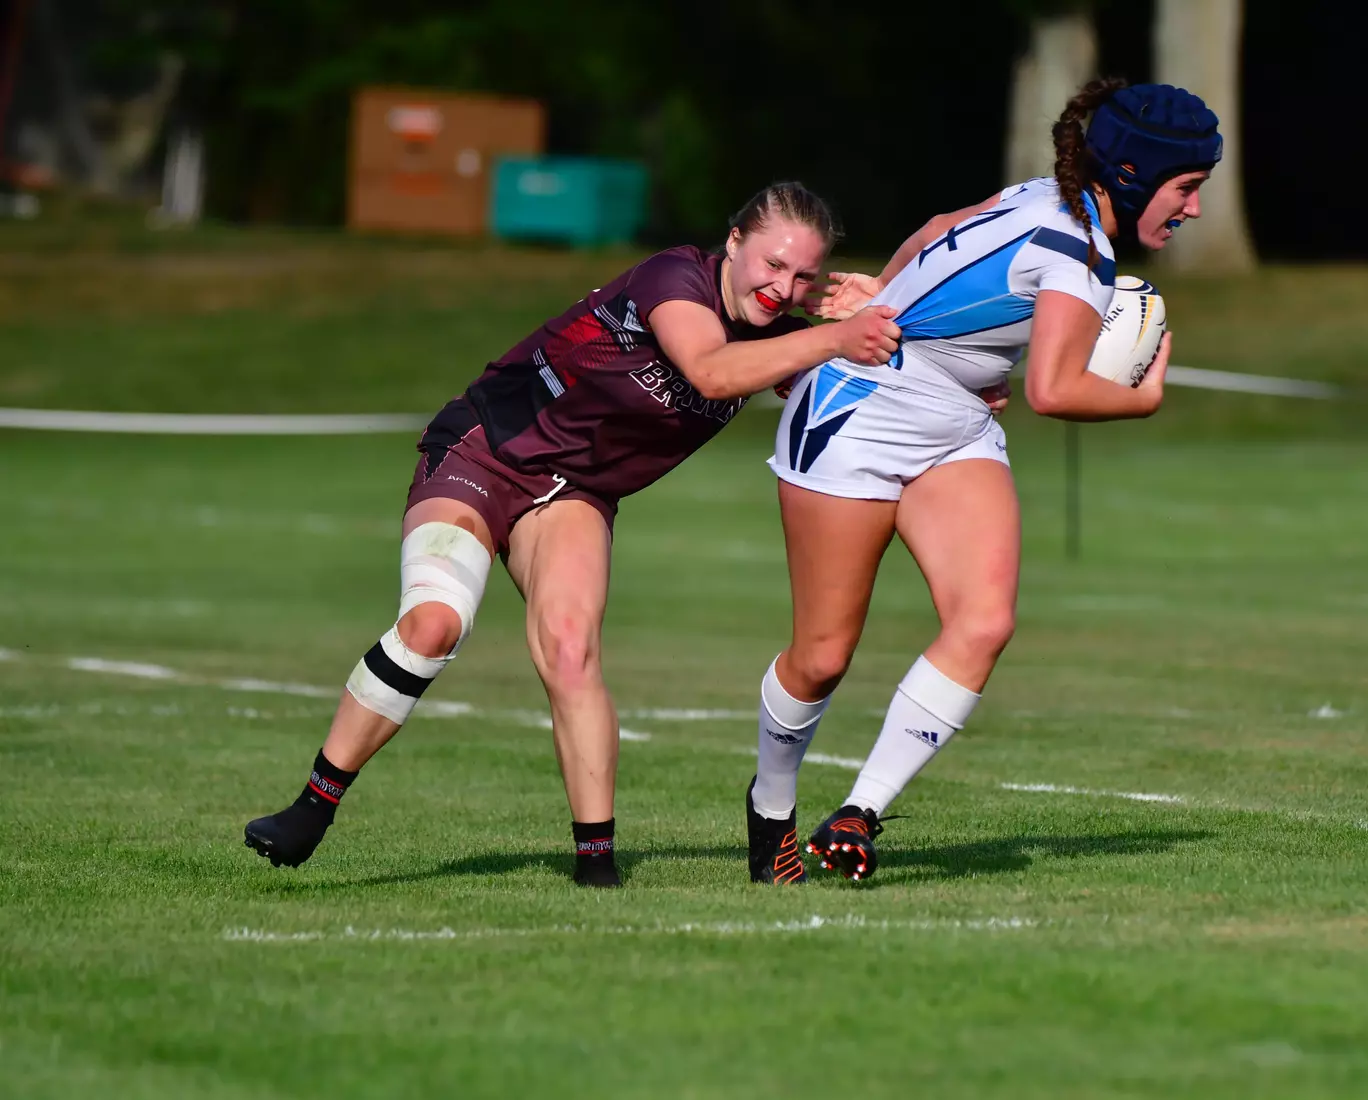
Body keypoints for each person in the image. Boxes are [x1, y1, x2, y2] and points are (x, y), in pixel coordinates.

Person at [244, 182, 903, 887]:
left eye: (803, 276)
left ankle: (596, 868)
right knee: (434, 624)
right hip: (485, 451)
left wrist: (899, 323)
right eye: (772, 264)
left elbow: (870, 351)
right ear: (734, 243)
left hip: (575, 494)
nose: (783, 286)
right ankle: (312, 808)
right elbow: (711, 373)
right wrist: (833, 335)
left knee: (569, 648)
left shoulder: (780, 331)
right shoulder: (673, 278)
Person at [742, 79, 1222, 884]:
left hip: (952, 425)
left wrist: (896, 306)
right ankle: (771, 808)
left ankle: (859, 813)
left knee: (984, 621)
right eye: (1188, 188)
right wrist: (1142, 400)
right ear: (1134, 177)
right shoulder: (1080, 250)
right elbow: (1055, 390)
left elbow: (938, 229)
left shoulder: (1051, 197)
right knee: (822, 657)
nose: (1194, 209)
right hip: (857, 414)